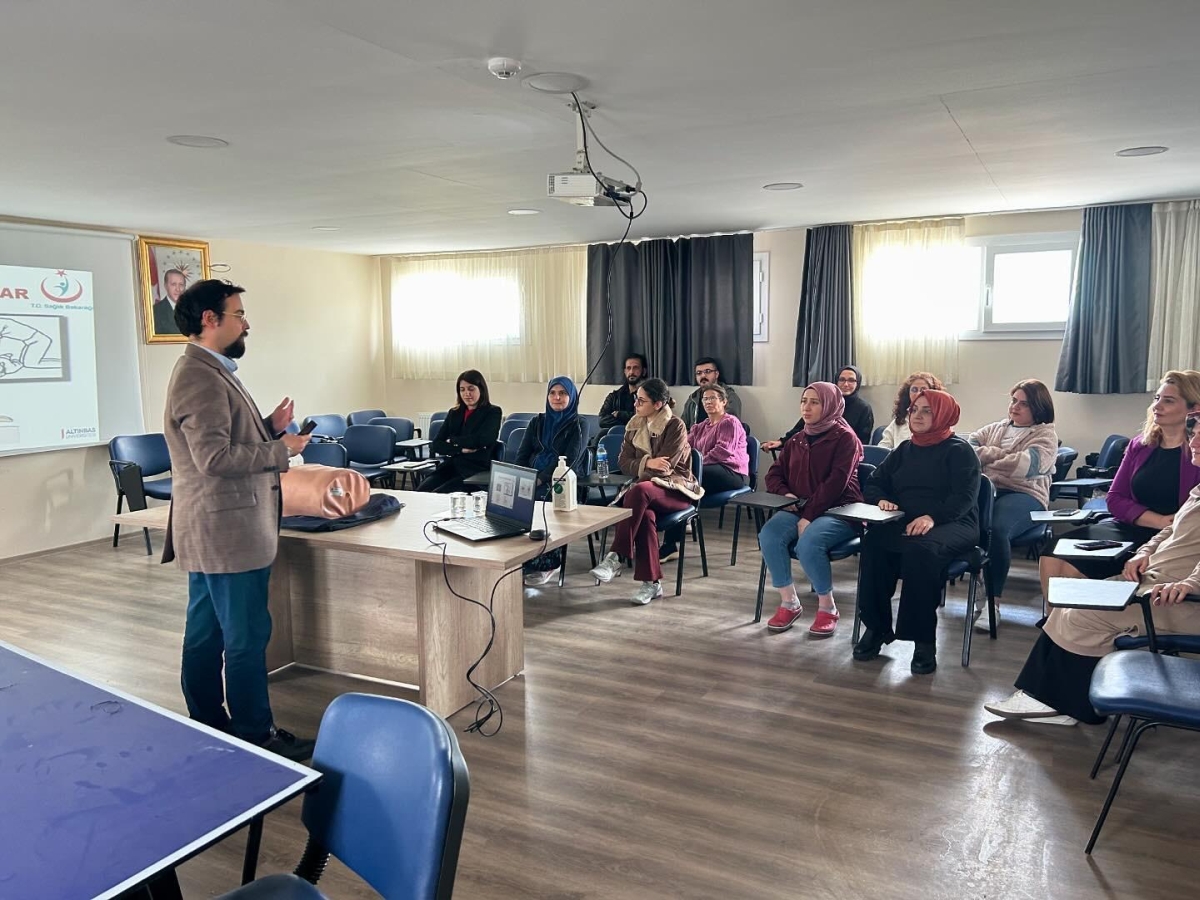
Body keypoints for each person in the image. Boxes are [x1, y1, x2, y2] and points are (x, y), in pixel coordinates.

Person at [162, 278, 315, 761]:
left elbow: (221, 440)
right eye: (238, 313)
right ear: (211, 320)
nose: (246, 322)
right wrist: (280, 449)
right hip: (227, 531)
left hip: (211, 528)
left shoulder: (211, 369)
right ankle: (255, 733)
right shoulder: (200, 376)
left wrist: (267, 427)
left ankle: (208, 723)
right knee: (246, 636)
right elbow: (213, 458)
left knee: (206, 632)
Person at [984, 417, 1200, 726]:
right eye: (1194, 435)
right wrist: (1144, 553)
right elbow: (1170, 530)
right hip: (1154, 582)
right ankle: (1051, 698)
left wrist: (1191, 582)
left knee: (1083, 614)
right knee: (1069, 604)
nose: (1192, 442)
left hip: (1177, 600)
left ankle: (1063, 705)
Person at [1038, 370, 1200, 597]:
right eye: (1157, 398)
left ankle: (1074, 626)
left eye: (1169, 401)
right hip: (1131, 525)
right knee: (1053, 552)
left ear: (1193, 409)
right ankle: (1056, 624)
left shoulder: (1197, 452)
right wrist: (1159, 520)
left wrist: (1167, 525)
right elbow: (1114, 498)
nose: (1158, 406)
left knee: (1076, 572)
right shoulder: (1140, 445)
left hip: (1172, 537)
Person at [854, 389, 981, 674]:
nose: (918, 416)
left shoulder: (960, 451)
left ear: (944, 416)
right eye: (914, 409)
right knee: (874, 542)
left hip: (954, 523)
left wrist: (932, 517)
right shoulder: (904, 449)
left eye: (927, 410)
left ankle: (923, 640)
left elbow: (964, 499)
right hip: (909, 521)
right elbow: (875, 482)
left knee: (921, 551)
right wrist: (880, 499)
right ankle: (876, 628)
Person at [759, 382, 864, 636]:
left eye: (814, 402)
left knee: (808, 543)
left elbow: (835, 484)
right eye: (804, 401)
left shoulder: (845, 438)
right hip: (800, 506)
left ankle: (828, 608)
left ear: (829, 405)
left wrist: (809, 515)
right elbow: (774, 474)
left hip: (840, 509)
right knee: (769, 535)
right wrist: (786, 494)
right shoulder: (797, 439)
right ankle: (789, 602)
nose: (807, 407)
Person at [589, 378, 698, 605]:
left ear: (658, 404)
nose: (635, 404)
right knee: (645, 515)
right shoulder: (634, 424)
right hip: (647, 491)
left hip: (676, 489)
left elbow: (666, 467)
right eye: (635, 399)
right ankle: (652, 583)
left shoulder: (675, 425)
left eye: (641, 400)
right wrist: (649, 462)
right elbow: (623, 461)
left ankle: (615, 556)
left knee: (638, 492)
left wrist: (642, 465)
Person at [968, 379, 1058, 617]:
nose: (1015, 407)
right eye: (1013, 401)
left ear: (1038, 408)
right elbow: (968, 447)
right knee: (960, 521)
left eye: (1023, 404)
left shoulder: (1045, 435)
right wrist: (998, 454)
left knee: (997, 529)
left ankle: (993, 603)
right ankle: (979, 577)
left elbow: (1024, 466)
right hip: (988, 491)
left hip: (1025, 495)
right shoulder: (998, 427)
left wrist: (986, 457)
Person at [659, 383, 748, 562]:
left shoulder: (730, 422)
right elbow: (685, 448)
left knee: (685, 479)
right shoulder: (699, 426)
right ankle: (670, 542)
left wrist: (693, 466)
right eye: (705, 399)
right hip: (706, 472)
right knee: (679, 484)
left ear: (724, 402)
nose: (708, 402)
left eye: (713, 398)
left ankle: (672, 540)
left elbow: (722, 452)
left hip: (732, 473)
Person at [518, 376, 586, 585]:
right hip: (533, 478)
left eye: (563, 393)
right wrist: (522, 476)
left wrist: (541, 479)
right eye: (552, 393)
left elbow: (571, 459)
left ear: (572, 397)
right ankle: (521, 558)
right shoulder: (537, 422)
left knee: (541, 501)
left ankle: (548, 562)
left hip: (564, 481)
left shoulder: (579, 424)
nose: (557, 397)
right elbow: (522, 454)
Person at [418, 369, 502, 494]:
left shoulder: (492, 412)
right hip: (451, 466)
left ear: (481, 389)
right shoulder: (454, 413)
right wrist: (460, 449)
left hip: (475, 469)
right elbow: (436, 444)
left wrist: (452, 440)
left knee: (439, 495)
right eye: (462, 390)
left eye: (471, 389)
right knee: (421, 492)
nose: (467, 393)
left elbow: (484, 439)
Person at [878, 372, 945, 449]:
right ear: (907, 394)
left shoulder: (940, 423)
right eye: (914, 390)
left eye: (923, 390)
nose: (918, 394)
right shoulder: (899, 422)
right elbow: (882, 450)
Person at [681, 356, 742, 427]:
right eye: (699, 373)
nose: (703, 376)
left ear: (716, 374)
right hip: (695, 436)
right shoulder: (692, 398)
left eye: (707, 371)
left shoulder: (729, 396)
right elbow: (683, 426)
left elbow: (731, 424)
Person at [599, 354, 647, 432]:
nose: (631, 372)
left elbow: (644, 420)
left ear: (644, 371)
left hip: (639, 438)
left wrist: (619, 414)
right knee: (601, 435)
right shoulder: (614, 397)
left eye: (636, 368)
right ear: (625, 372)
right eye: (628, 368)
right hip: (615, 436)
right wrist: (627, 426)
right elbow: (602, 420)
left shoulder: (650, 397)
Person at [835, 365, 875, 445]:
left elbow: (862, 441)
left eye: (851, 380)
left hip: (850, 452)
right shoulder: (827, 403)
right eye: (842, 380)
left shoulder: (864, 408)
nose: (846, 384)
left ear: (858, 383)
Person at [153, 268, 187, 336]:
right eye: (173, 284)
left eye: (181, 285)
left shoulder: (192, 309)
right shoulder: (155, 311)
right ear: (165, 286)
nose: (178, 289)